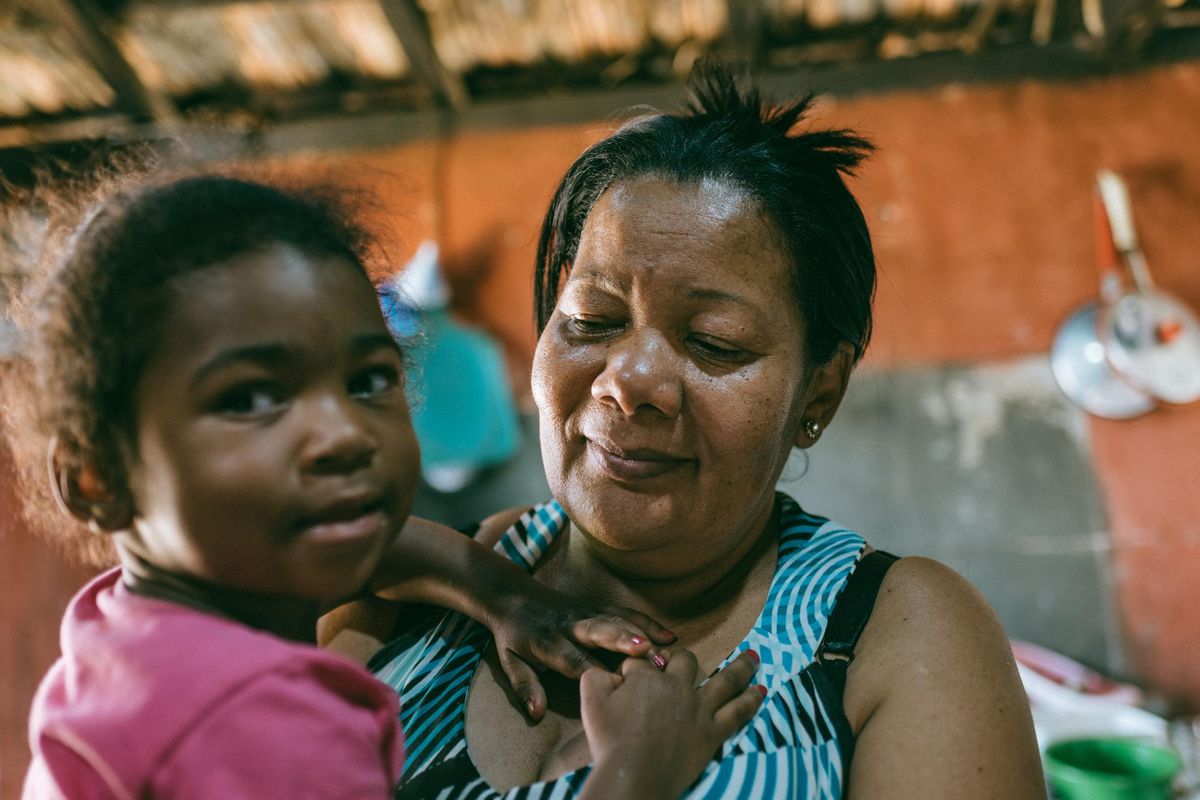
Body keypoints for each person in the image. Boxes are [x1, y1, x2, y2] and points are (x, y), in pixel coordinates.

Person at [343, 61, 1046, 798]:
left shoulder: (890, 634)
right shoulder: (419, 583)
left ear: (821, 391)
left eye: (715, 342)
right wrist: (487, 587)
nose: (627, 382)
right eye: (592, 321)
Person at [1, 169, 765, 799]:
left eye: (369, 379)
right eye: (249, 398)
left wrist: (509, 596)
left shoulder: (133, 635)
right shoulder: (261, 725)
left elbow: (378, 547)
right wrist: (637, 774)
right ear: (98, 478)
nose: (343, 432)